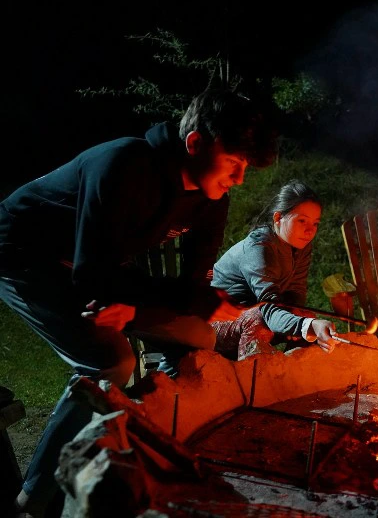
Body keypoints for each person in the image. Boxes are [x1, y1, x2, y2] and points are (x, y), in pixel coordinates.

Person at [0, 88, 276, 517]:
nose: (239, 178)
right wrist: (139, 304)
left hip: (98, 271)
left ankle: (157, 437)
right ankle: (31, 502)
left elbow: (192, 288)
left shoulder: (210, 199)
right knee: (110, 360)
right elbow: (92, 275)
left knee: (198, 335)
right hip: (23, 255)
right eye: (234, 163)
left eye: (245, 168)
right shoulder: (122, 165)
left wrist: (166, 305)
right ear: (196, 143)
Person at [211, 179, 339, 359]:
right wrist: (307, 325)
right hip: (215, 323)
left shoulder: (300, 246)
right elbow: (267, 307)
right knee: (262, 319)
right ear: (278, 218)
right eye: (302, 220)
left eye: (315, 223)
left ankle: (293, 375)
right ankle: (253, 377)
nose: (310, 231)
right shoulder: (259, 248)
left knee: (305, 316)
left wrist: (305, 323)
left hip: (259, 315)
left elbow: (294, 299)